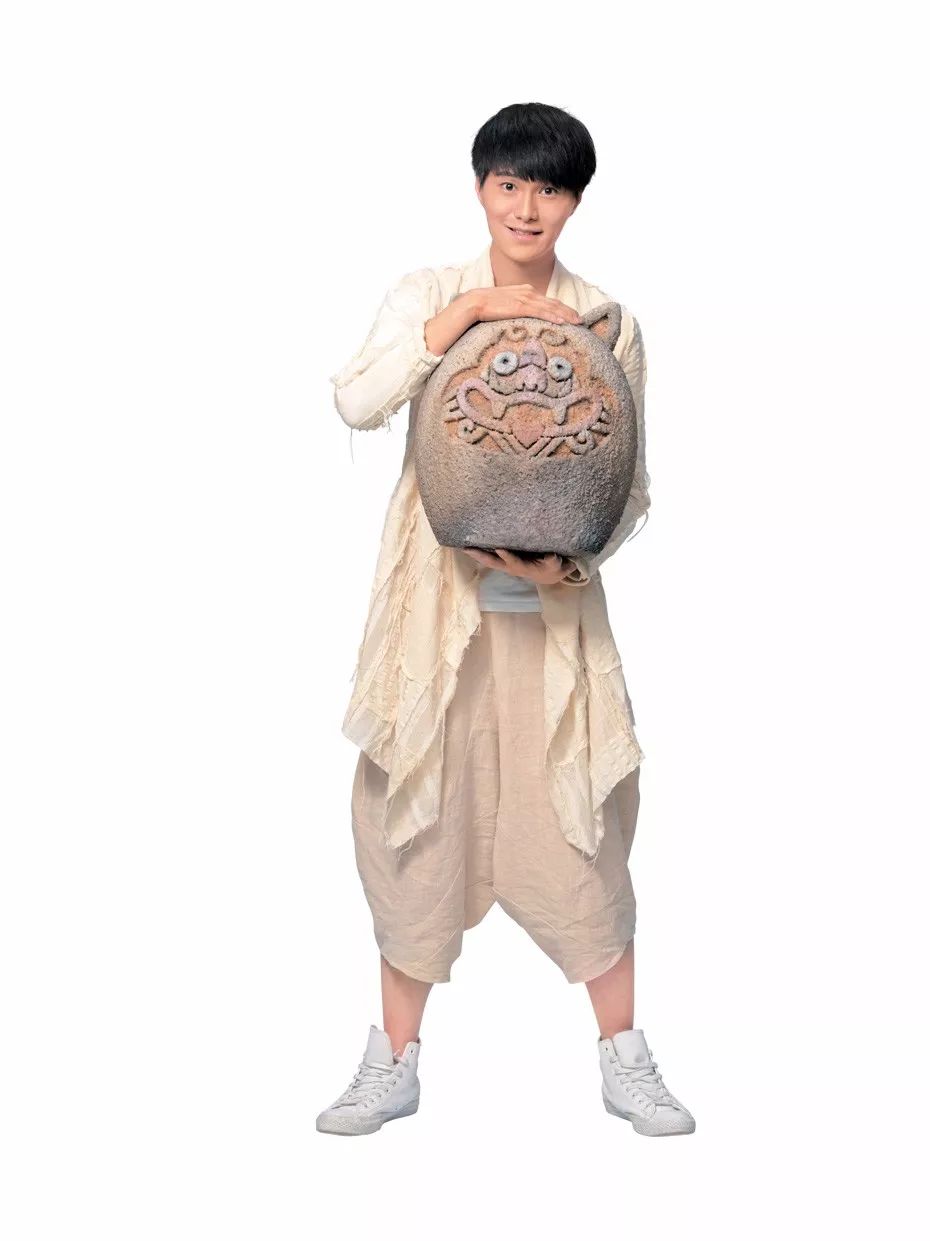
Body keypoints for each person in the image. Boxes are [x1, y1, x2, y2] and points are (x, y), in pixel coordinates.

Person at [316, 102, 695, 1139]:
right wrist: (474, 313)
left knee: (582, 829)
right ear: (482, 186)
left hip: (555, 623)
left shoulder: (608, 319)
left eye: (551, 188)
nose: (528, 207)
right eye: (510, 184)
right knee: (416, 822)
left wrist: (566, 560)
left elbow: (629, 486)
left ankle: (626, 1060)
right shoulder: (430, 293)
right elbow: (356, 400)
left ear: (576, 200)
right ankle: (393, 1062)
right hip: (433, 622)